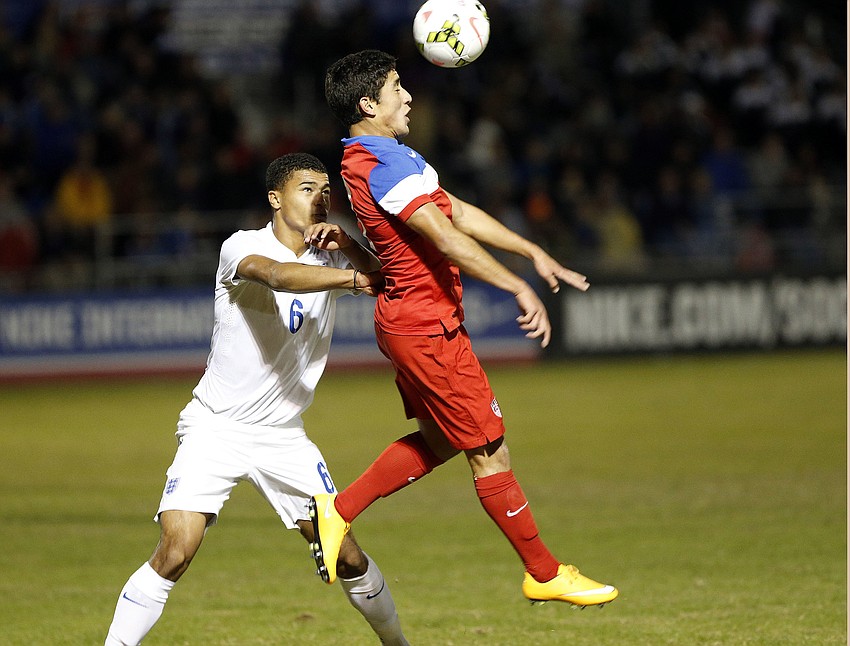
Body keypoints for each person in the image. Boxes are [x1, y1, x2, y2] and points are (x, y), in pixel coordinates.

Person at [309, 49, 618, 609]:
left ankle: (338, 509)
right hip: (426, 328)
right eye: (396, 87)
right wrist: (516, 284)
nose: (407, 96)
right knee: (489, 451)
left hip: (412, 320)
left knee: (443, 438)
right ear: (367, 103)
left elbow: (453, 210)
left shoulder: (374, 157)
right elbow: (446, 237)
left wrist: (530, 250)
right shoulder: (383, 165)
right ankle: (544, 573)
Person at [105, 152, 409, 645]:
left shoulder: (333, 254)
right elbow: (279, 276)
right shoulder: (241, 246)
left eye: (326, 189)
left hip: (284, 438)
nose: (321, 197)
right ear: (275, 198)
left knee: (345, 553)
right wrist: (355, 280)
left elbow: (388, 277)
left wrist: (350, 247)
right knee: (177, 549)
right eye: (307, 188)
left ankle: (398, 644)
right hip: (215, 427)